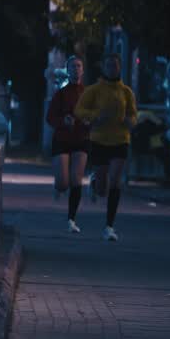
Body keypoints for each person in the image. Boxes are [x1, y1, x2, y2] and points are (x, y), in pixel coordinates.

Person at [75, 53, 138, 241]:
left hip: (120, 140)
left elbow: (134, 114)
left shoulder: (126, 91)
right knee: (103, 189)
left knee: (116, 181)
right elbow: (79, 110)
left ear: (119, 68)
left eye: (115, 65)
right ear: (104, 68)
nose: (112, 68)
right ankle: (95, 181)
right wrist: (95, 116)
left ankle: (109, 226)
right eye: (109, 65)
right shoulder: (95, 90)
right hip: (99, 140)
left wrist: (130, 121)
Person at [46, 56, 91, 232]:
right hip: (62, 139)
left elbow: (94, 115)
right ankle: (58, 185)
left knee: (76, 180)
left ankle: (71, 220)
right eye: (72, 66)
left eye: (79, 66)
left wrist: (90, 121)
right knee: (63, 183)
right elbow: (49, 118)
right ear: (68, 70)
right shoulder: (61, 94)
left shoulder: (88, 94)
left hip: (81, 139)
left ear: (83, 70)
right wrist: (63, 121)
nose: (76, 69)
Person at [131, 110, 170, 187]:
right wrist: (167, 126)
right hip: (147, 144)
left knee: (165, 150)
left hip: (142, 144)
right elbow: (160, 127)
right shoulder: (147, 116)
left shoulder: (139, 116)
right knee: (166, 154)